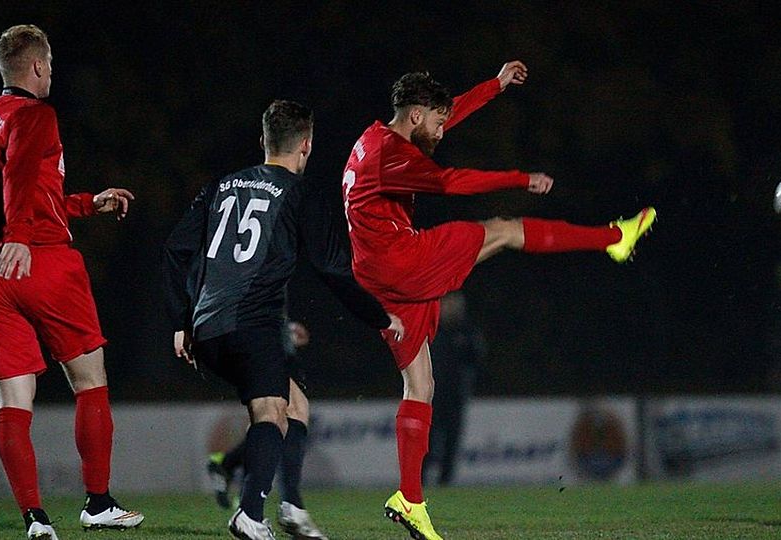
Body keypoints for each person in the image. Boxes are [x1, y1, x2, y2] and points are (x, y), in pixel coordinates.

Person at [341, 60, 656, 539]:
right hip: (403, 263)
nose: (444, 131)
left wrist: (494, 86)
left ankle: (409, 498)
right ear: (417, 117)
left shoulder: (376, 139)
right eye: (439, 123)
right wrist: (519, 178)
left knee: (420, 384)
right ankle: (614, 237)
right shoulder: (392, 154)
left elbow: (446, 116)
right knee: (505, 231)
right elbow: (448, 183)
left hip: (375, 275)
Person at [163, 100, 404, 540]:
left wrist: (181, 320)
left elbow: (176, 251)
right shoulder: (299, 192)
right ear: (307, 144)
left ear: (263, 142)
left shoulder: (220, 186)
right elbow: (331, 268)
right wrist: (376, 315)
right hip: (251, 325)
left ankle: (291, 506)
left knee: (295, 407)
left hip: (206, 329)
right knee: (272, 413)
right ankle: (251, 513)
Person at [0, 24, 144, 540]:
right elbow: (21, 175)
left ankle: (36, 519)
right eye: (50, 68)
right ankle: (98, 502)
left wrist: (88, 203)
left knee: (13, 404)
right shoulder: (36, 113)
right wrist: (21, 236)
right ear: (39, 67)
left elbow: (19, 194)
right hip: (38, 261)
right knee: (90, 381)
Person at [207, 320, 329, 539]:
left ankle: (232, 473)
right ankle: (282, 507)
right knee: (288, 411)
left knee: (270, 419)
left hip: (259, 335)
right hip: (256, 337)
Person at [424, 291, 485, 487]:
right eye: (447, 304)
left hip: (456, 395)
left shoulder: (467, 331)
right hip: (431, 396)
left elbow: (478, 359)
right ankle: (419, 481)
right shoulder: (431, 329)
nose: (451, 307)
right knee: (428, 441)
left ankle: (445, 481)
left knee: (452, 439)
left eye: (455, 304)